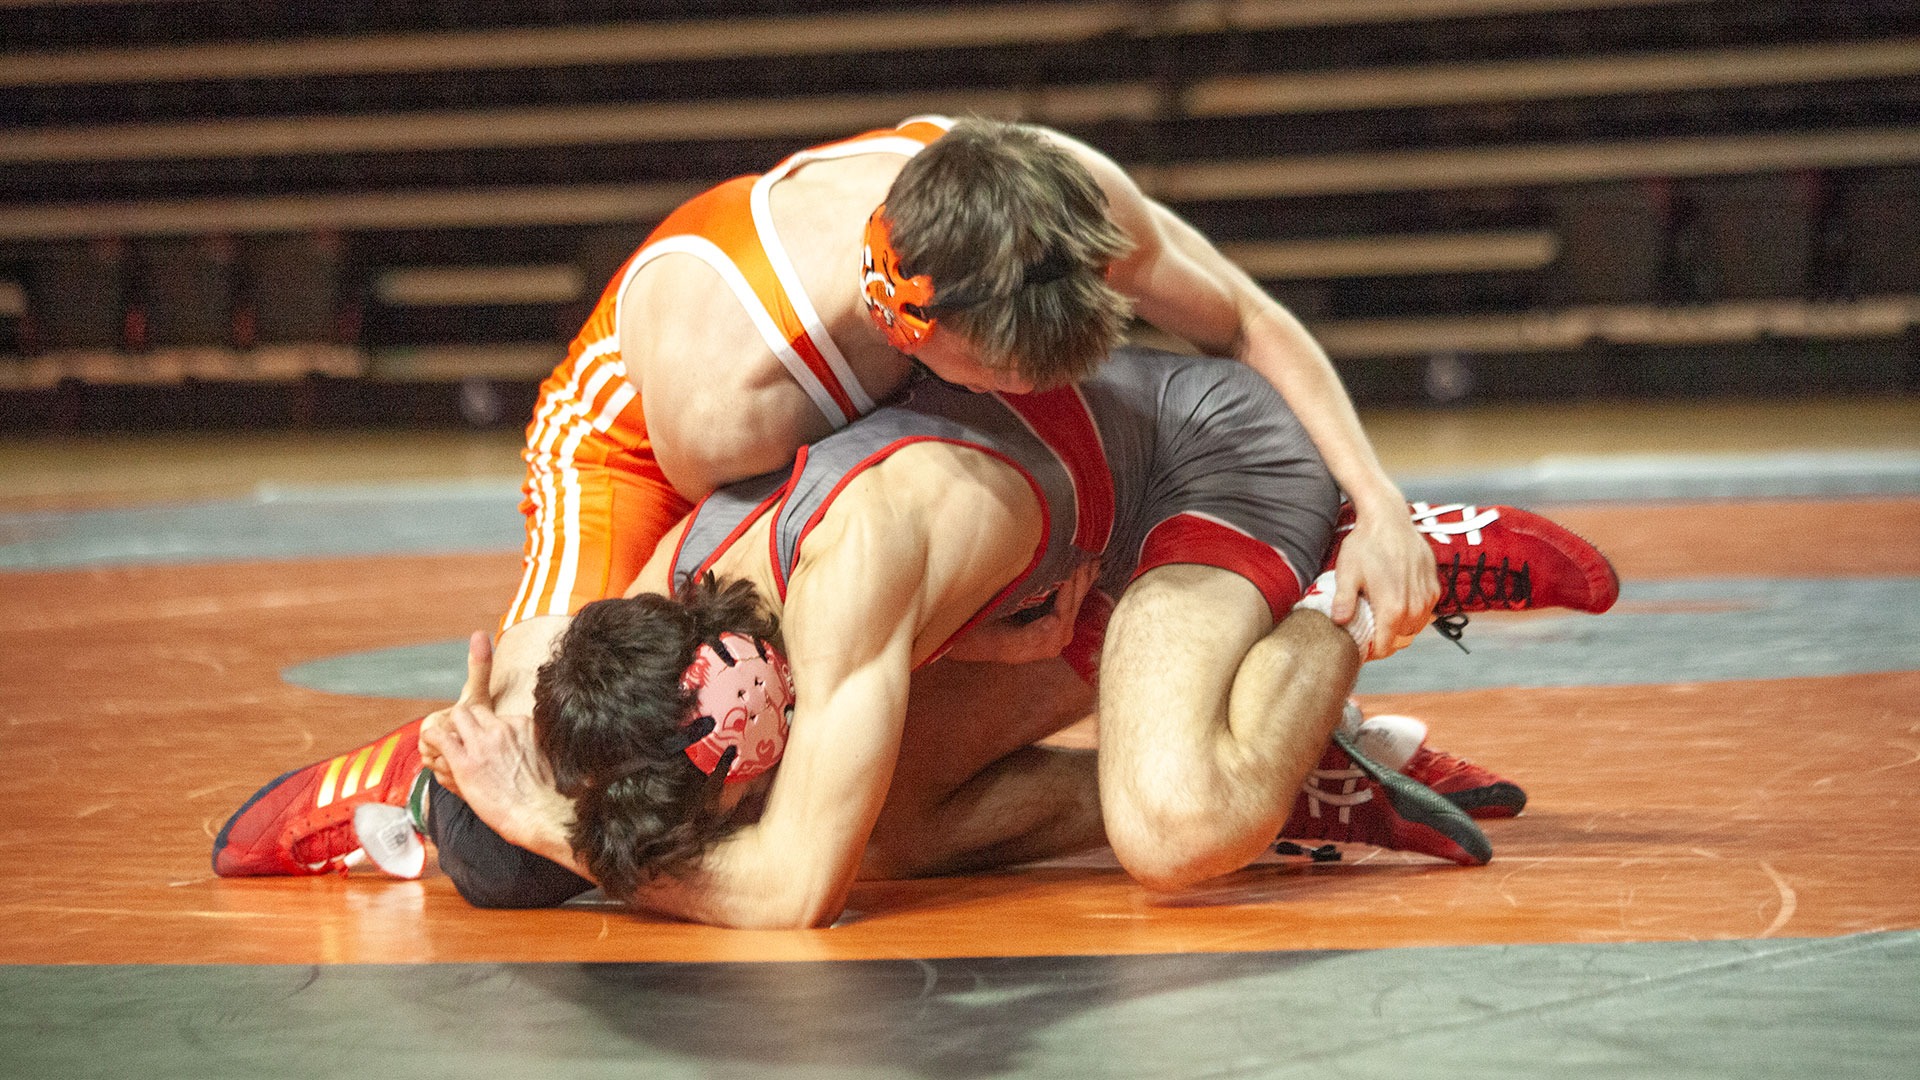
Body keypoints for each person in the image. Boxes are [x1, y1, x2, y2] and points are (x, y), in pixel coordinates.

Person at [209, 112, 1471, 882]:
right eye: (1011, 376)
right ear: (916, 334)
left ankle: (1228, 735)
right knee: (596, 720)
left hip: (926, 455)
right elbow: (808, 554)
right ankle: (400, 785)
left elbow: (1244, 316)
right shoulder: (740, 393)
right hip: (631, 437)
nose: (1045, 390)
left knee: (825, 743)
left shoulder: (1036, 199)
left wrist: (1380, 497)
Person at [398, 349, 1619, 924]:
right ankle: (1303, 780)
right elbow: (503, 722)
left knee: (1176, 831)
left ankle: (1361, 578)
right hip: (1058, 572)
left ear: (741, 741)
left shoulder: (851, 579)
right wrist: (481, 787)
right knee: (891, 822)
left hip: (1199, 473)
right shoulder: (656, 613)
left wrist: (544, 824)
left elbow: (790, 898)